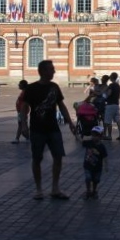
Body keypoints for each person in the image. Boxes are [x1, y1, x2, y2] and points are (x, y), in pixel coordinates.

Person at [25, 60, 77, 200]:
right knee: (37, 159)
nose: (54, 71)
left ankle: (55, 188)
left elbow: (61, 105)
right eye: (51, 69)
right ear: (43, 71)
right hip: (37, 129)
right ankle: (38, 189)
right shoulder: (31, 88)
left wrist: (70, 122)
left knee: (58, 157)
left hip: (53, 128)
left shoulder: (54, 87)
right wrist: (23, 124)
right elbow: (25, 108)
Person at [82, 124, 108, 200]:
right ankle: (88, 191)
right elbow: (81, 142)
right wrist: (75, 134)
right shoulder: (89, 142)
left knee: (96, 180)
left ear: (100, 136)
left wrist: (106, 166)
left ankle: (94, 190)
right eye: (93, 135)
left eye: (96, 135)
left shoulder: (102, 146)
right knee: (88, 178)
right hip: (88, 165)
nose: (94, 137)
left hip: (97, 167)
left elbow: (105, 156)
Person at [103, 71, 120, 141]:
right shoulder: (118, 86)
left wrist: (104, 96)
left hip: (110, 104)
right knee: (118, 120)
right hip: (116, 104)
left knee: (108, 121)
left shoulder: (111, 85)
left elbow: (109, 93)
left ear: (112, 78)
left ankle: (109, 135)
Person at [12, 79, 29, 144]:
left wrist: (23, 111)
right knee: (21, 124)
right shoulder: (23, 92)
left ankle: (27, 137)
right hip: (20, 111)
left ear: (23, 85)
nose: (18, 85)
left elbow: (25, 103)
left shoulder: (25, 93)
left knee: (22, 125)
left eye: (20, 84)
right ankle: (18, 138)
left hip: (22, 112)